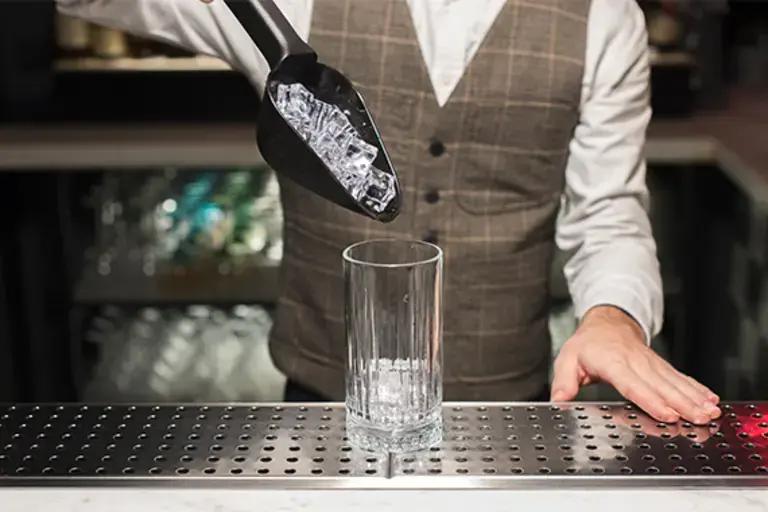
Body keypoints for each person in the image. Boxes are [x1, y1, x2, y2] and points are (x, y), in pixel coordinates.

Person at [58, 0, 721, 424]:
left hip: (509, 412)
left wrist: (614, 319)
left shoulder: (604, 16)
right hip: (320, 410)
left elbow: (607, 210)